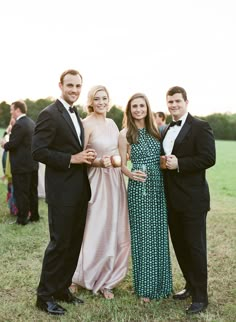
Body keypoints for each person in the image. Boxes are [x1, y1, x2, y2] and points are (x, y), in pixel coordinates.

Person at [32, 69, 97, 316]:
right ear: (60, 85)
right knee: (59, 244)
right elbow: (38, 151)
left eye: (78, 86)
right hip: (61, 192)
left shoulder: (76, 114)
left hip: (79, 190)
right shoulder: (49, 114)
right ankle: (44, 296)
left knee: (73, 243)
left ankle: (61, 289)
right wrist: (72, 158)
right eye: (70, 85)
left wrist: (85, 157)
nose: (75, 90)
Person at [71, 85, 130, 300]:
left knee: (113, 228)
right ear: (91, 101)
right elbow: (80, 156)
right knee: (94, 227)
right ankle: (79, 276)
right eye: (98, 98)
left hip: (115, 181)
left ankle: (108, 280)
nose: (102, 102)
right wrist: (98, 162)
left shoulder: (113, 123)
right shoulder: (85, 124)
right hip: (96, 181)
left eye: (105, 98)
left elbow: (120, 152)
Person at [161, 86, 216, 314]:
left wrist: (179, 163)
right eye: (170, 102)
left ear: (186, 102)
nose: (173, 105)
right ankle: (190, 285)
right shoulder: (164, 129)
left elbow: (208, 158)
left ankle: (201, 297)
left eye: (177, 101)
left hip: (193, 200)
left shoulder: (201, 127)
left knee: (195, 248)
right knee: (180, 247)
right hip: (171, 200)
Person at [119, 93, 172, 303]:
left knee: (159, 236)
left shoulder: (157, 132)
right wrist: (130, 174)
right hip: (138, 191)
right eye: (134, 106)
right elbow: (121, 164)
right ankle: (145, 289)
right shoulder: (125, 134)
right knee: (142, 238)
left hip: (159, 188)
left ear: (147, 108)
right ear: (129, 110)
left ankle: (162, 285)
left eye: (142, 106)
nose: (138, 109)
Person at [1, 101, 39, 224]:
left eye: (12, 110)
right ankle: (34, 216)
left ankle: (22, 219)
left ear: (18, 110)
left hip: (21, 166)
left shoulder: (19, 125)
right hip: (32, 164)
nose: (11, 112)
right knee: (33, 191)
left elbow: (13, 144)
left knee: (21, 192)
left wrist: (4, 144)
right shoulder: (31, 122)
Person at [1, 117, 17, 215]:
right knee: (11, 186)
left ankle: (13, 207)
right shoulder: (8, 135)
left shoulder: (12, 135)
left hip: (10, 164)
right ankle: (13, 207)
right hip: (8, 163)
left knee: (12, 186)